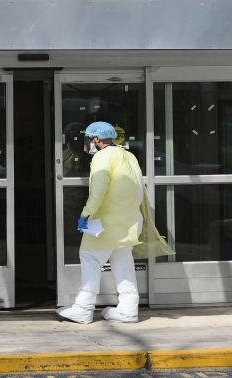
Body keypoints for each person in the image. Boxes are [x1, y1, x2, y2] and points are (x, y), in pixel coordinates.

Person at [56, 121, 165, 324]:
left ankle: (83, 307)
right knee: (122, 261)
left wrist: (86, 214)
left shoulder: (103, 157)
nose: (87, 143)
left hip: (106, 221)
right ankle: (128, 309)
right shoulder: (127, 155)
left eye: (88, 139)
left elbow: (98, 191)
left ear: (97, 139)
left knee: (89, 257)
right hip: (129, 221)